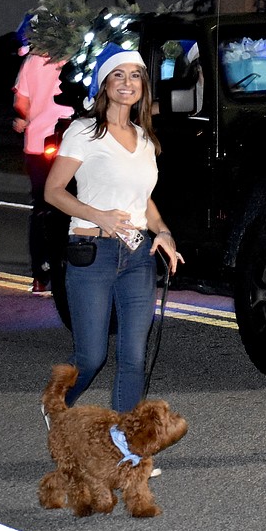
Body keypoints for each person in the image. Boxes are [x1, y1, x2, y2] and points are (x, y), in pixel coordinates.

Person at [44, 42, 182, 424]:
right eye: (118, 75)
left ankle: (126, 448)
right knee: (91, 356)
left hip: (138, 257)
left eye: (135, 75)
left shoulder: (145, 139)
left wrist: (164, 232)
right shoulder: (83, 132)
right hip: (92, 251)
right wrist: (98, 215)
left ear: (143, 86)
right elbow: (53, 191)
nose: (127, 82)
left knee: (133, 356)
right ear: (103, 83)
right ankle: (57, 402)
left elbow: (145, 201)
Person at [12, 15, 73, 296]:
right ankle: (70, 268)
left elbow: (20, 103)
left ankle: (40, 275)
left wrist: (30, 116)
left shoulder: (30, 63)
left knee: (41, 208)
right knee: (71, 205)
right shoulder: (70, 58)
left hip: (37, 144)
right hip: (69, 142)